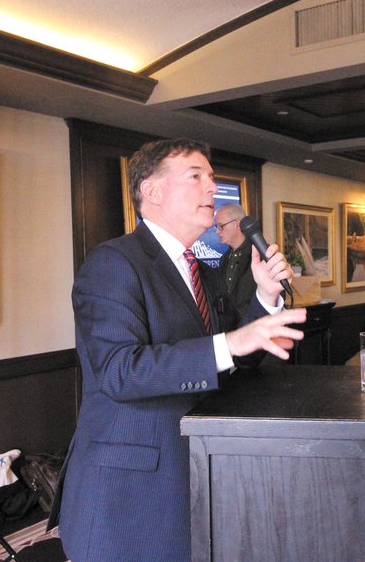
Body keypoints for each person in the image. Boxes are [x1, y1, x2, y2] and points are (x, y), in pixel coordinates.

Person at [51, 138, 307, 561]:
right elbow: (119, 371)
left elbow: (233, 354)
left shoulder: (201, 271)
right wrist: (230, 343)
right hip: (129, 494)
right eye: (196, 176)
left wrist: (264, 296)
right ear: (152, 192)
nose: (213, 188)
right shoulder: (112, 263)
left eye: (212, 177)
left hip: (193, 472)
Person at [214, 203, 256, 316]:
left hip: (257, 329)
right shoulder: (224, 259)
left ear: (237, 224)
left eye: (221, 226)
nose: (217, 231)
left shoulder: (260, 255)